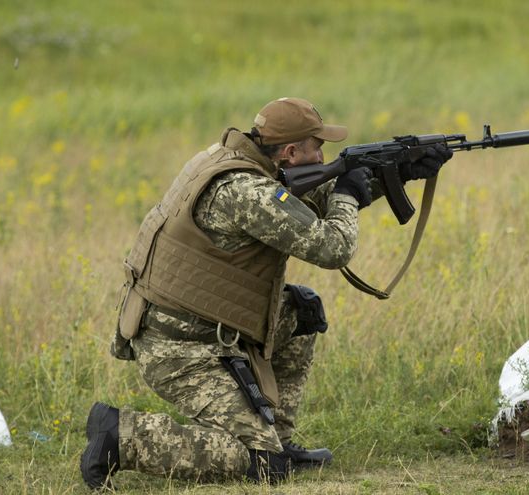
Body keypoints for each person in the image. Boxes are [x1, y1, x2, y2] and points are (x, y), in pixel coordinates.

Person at [80, 97, 452, 489]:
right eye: (316, 146)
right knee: (258, 464)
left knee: (302, 311)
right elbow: (332, 246)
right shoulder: (245, 191)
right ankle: (122, 436)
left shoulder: (240, 163)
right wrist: (347, 195)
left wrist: (393, 174)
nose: (323, 154)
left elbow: (300, 206)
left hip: (206, 328)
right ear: (291, 152)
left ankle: (281, 441)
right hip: (181, 349)